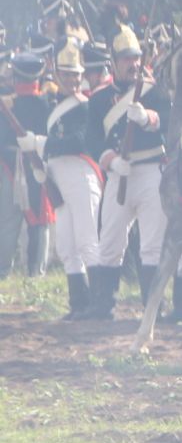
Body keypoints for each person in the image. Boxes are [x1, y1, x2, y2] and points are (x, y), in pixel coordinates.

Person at [89, 24, 170, 314]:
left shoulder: (155, 91)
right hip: (118, 174)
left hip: (150, 171)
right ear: (114, 62)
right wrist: (111, 160)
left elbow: (171, 124)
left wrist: (149, 117)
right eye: (126, 59)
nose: (133, 64)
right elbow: (93, 139)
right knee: (110, 240)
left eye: (136, 57)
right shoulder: (99, 99)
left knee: (152, 244)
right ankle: (103, 305)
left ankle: (154, 306)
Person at [42, 42, 106, 319]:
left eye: (75, 75)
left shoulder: (86, 106)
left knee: (87, 241)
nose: (72, 80)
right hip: (59, 177)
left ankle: (100, 305)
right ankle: (78, 303)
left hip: (81, 175)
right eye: (66, 74)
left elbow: (80, 140)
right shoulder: (54, 106)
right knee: (66, 245)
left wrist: (45, 145)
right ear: (56, 75)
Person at [0, 44, 54, 279]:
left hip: (9, 164)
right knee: (39, 221)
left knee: (7, 221)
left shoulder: (7, 105)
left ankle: (3, 271)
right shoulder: (46, 104)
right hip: (36, 164)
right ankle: (36, 272)